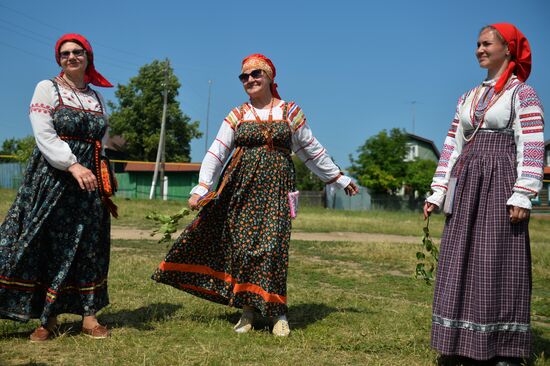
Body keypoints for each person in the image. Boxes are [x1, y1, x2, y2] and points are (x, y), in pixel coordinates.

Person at [152, 53, 359, 337]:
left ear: (271, 77)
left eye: (256, 74)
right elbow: (217, 152)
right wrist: (202, 187)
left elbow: (311, 150)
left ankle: (278, 313)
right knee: (245, 248)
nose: (250, 80)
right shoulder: (237, 115)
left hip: (278, 190)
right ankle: (248, 309)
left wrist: (338, 177)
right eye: (244, 76)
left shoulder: (290, 112)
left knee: (273, 248)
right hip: (241, 190)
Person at [424, 24, 544, 365]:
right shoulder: (468, 97)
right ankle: (457, 343)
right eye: (477, 43)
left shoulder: (523, 94)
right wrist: (438, 190)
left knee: (497, 261)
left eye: (486, 43)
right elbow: (452, 145)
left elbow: (532, 144)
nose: (479, 49)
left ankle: (503, 348)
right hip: (468, 181)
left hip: (501, 181)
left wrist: (523, 193)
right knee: (458, 259)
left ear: (508, 50)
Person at [0, 34, 115, 341]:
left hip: (89, 182)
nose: (71, 57)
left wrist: (101, 173)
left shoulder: (97, 97)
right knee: (48, 243)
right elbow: (44, 134)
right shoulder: (47, 88)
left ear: (88, 57)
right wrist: (72, 164)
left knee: (89, 245)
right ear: (58, 58)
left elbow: (100, 142)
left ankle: (89, 316)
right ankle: (46, 318)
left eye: (78, 52)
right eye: (65, 53)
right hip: (53, 177)